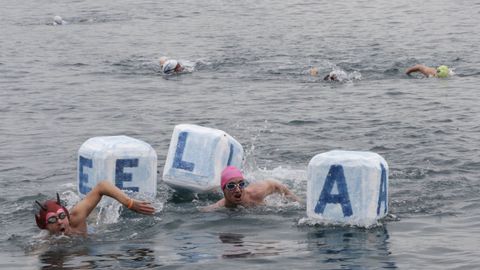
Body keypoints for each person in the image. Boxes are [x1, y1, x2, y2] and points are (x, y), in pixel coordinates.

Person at [34, 180, 155, 236]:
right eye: (52, 220)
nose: (59, 221)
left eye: (61, 216)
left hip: (92, 231)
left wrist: (129, 203)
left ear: (66, 214)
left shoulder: (75, 218)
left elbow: (102, 186)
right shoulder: (46, 243)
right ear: (44, 225)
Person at [201, 166, 300, 211]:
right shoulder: (218, 207)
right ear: (223, 189)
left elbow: (274, 184)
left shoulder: (255, 193)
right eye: (231, 186)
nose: (238, 189)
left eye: (241, 184)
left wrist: (295, 200)